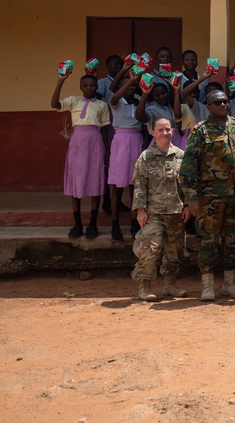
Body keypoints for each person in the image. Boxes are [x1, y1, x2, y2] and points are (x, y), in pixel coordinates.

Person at [179, 89, 235, 301]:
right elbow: (188, 166)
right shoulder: (200, 131)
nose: (223, 105)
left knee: (232, 240)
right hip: (210, 197)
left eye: (225, 101)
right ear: (208, 106)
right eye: (217, 102)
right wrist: (191, 198)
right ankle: (208, 285)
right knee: (208, 240)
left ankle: (229, 283)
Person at [131, 117, 191, 301]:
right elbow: (139, 184)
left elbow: (187, 183)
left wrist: (187, 204)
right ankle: (144, 286)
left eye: (168, 129)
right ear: (152, 133)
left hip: (175, 211)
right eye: (160, 130)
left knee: (174, 252)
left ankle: (170, 285)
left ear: (172, 130)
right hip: (153, 213)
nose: (165, 133)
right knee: (150, 248)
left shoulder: (181, 155)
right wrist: (140, 210)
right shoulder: (146, 157)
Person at [52, 70, 111, 239]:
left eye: (92, 85)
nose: (89, 88)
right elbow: (54, 104)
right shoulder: (73, 101)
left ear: (97, 87)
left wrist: (107, 152)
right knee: (75, 181)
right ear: (80, 87)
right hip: (77, 142)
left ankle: (92, 224)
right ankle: (77, 223)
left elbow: (105, 130)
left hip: (95, 142)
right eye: (85, 85)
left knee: (96, 181)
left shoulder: (102, 105)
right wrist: (60, 81)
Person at [107, 69, 145, 241]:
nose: (131, 88)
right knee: (117, 185)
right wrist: (131, 79)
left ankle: (134, 221)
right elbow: (114, 96)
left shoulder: (139, 101)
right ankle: (115, 224)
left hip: (136, 140)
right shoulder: (116, 102)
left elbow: (144, 126)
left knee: (134, 184)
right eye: (127, 86)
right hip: (121, 141)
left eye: (133, 86)